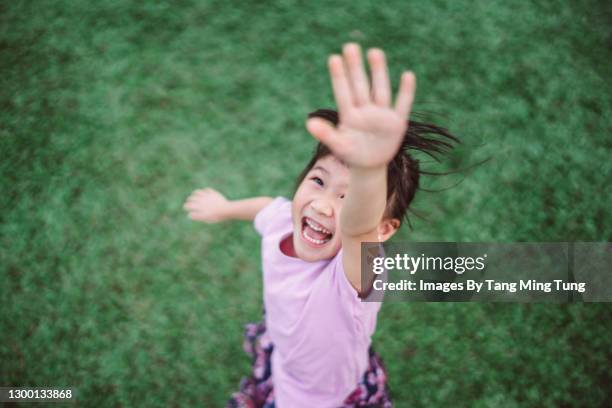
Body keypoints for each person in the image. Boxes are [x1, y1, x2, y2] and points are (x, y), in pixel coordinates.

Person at [183, 43, 457, 407]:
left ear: (384, 229)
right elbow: (266, 208)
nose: (325, 205)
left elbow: (359, 228)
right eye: (318, 181)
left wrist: (371, 169)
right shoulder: (283, 221)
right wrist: (225, 208)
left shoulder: (354, 277)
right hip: (284, 355)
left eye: (349, 197)